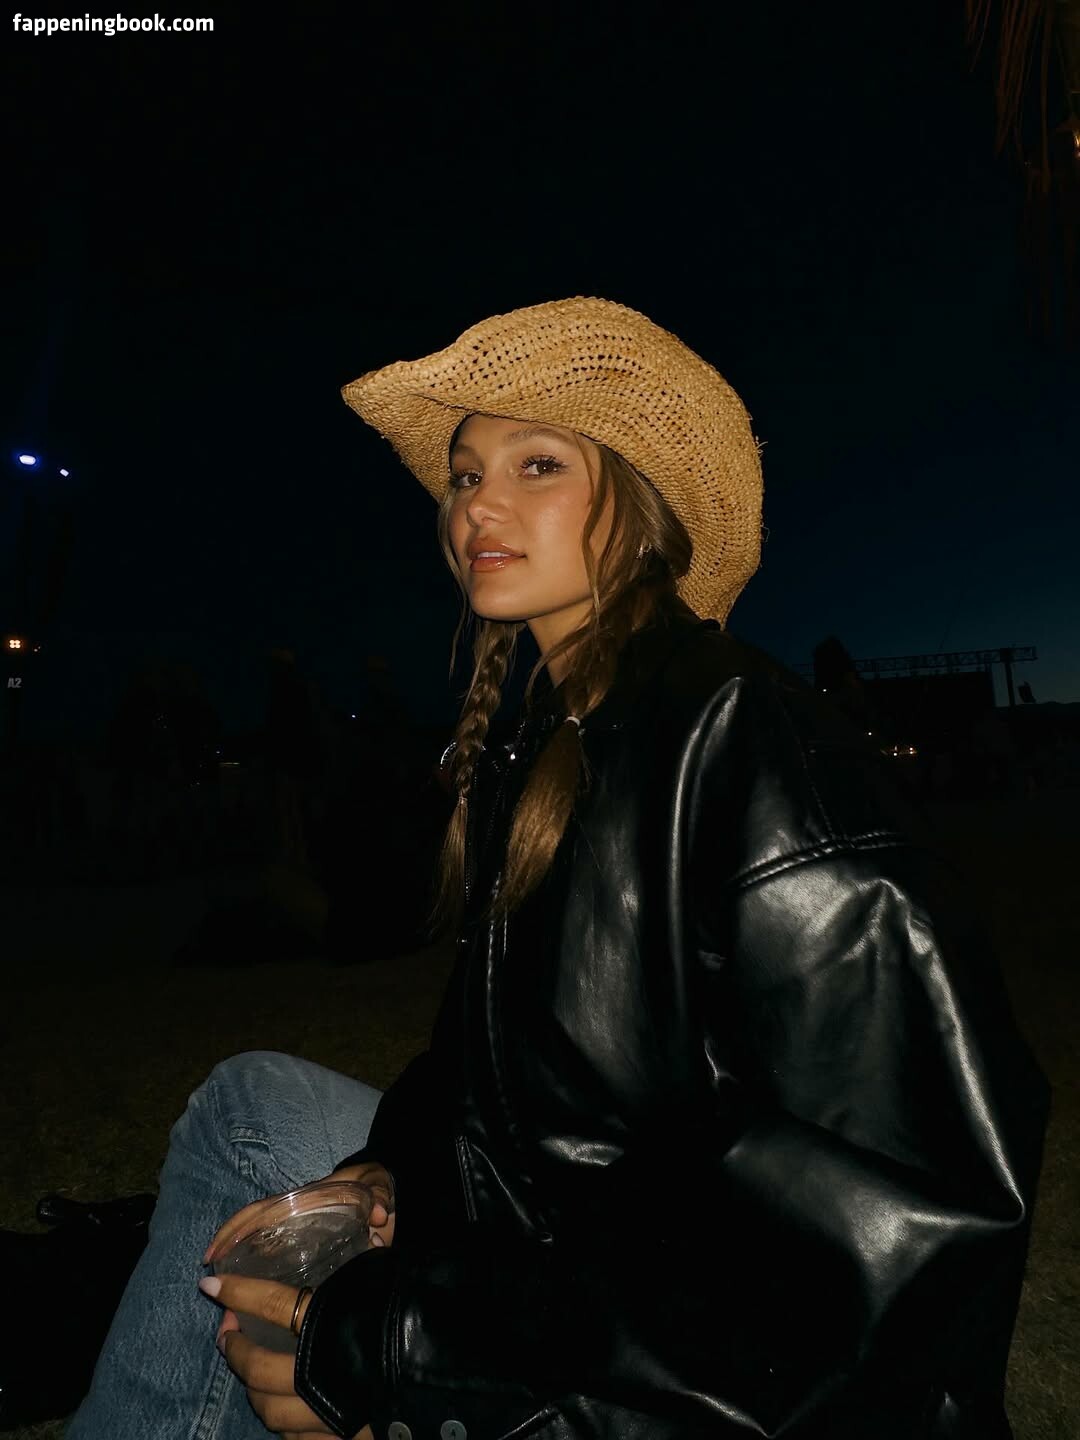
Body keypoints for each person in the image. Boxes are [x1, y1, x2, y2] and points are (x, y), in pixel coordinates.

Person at [36, 297, 1050, 1437]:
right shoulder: (546, 745)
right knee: (254, 1108)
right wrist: (389, 1169)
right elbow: (495, 1068)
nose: (478, 505)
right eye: (466, 476)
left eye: (538, 464)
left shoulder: (741, 741)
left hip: (693, 1341)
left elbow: (898, 1227)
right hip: (564, 1235)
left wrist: (410, 1347)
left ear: (643, 508)